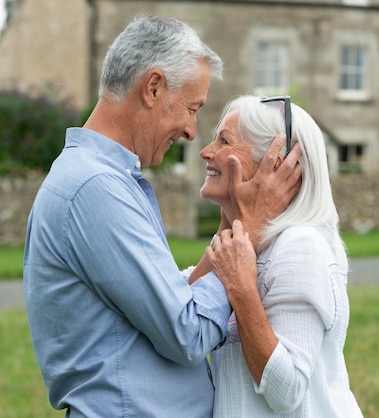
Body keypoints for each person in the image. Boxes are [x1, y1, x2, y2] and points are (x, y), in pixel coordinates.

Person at [23, 16, 301, 417]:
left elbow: (170, 302)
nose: (192, 131)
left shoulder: (101, 179)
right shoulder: (94, 188)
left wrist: (234, 223)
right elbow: (187, 330)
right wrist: (253, 227)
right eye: (191, 108)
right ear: (153, 88)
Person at [199, 95, 364, 417]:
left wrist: (241, 289)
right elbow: (181, 312)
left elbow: (287, 390)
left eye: (224, 141)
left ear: (273, 163)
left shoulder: (298, 246)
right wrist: (235, 225)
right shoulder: (252, 244)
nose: (207, 151)